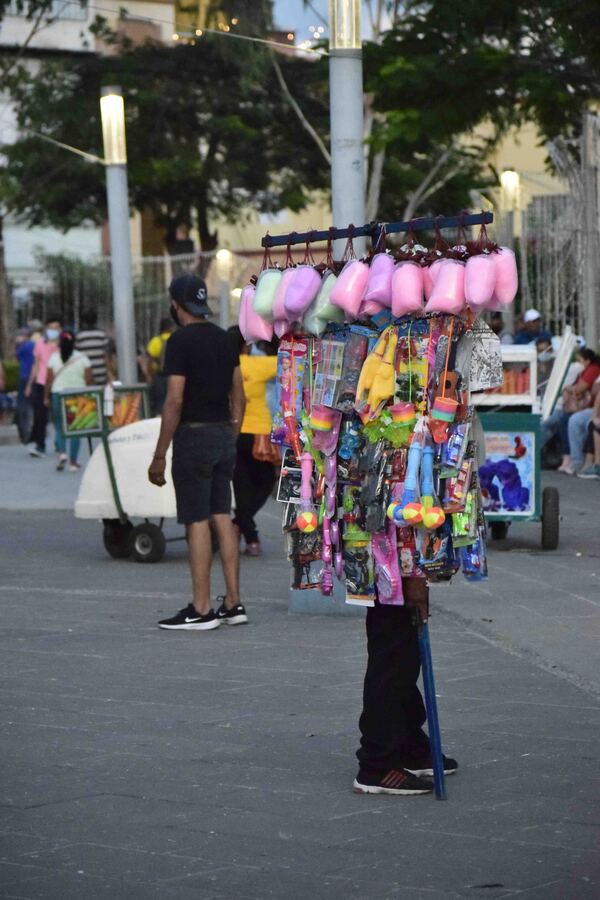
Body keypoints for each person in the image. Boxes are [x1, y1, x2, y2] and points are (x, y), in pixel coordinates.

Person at [148, 274, 246, 631]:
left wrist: (160, 454)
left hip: (193, 437)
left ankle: (202, 608)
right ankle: (234, 604)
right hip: (223, 435)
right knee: (222, 514)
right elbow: (240, 396)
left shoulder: (179, 341)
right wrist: (230, 435)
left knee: (196, 519)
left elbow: (174, 399)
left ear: (176, 306)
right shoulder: (224, 340)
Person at [354, 578, 458, 795]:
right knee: (393, 653)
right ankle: (377, 765)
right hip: (390, 560)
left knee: (404, 653)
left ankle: (407, 743)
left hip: (395, 560)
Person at [228, 326, 278, 557]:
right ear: (246, 343)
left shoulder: (224, 368)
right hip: (259, 434)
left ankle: (245, 531)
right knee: (266, 481)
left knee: (242, 486)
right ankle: (245, 528)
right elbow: (287, 361)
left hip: (233, 433)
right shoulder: (257, 366)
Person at [541, 348, 600, 475]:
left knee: (565, 420)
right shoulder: (584, 371)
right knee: (553, 422)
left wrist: (570, 389)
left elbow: (580, 390)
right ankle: (569, 460)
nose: (577, 363)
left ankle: (571, 459)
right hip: (585, 408)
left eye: (579, 360)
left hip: (589, 409)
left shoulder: (593, 369)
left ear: (587, 361)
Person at [45, 330, 93, 471]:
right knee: (76, 429)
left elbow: (49, 380)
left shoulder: (53, 358)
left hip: (58, 395)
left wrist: (45, 396)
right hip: (77, 397)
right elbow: (89, 380)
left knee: (60, 427)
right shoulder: (83, 359)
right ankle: (73, 462)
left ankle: (62, 454)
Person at [25, 313, 62, 457]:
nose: (54, 330)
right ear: (46, 328)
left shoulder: (62, 344)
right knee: (40, 416)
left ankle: (60, 445)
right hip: (41, 383)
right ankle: (40, 445)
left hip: (58, 384)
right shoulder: (40, 343)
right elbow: (36, 364)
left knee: (59, 416)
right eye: (51, 327)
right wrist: (29, 383)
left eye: (57, 327)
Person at [146, 317, 174, 414]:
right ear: (169, 327)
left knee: (160, 402)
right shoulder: (176, 339)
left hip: (159, 375)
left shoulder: (155, 341)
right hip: (174, 376)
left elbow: (149, 360)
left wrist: (150, 376)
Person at [75, 309, 109, 386]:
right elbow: (106, 355)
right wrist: (108, 372)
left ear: (83, 322)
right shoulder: (102, 334)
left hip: (86, 373)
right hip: (101, 371)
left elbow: (77, 356)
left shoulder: (79, 336)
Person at [14, 326, 35, 443]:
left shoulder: (24, 346)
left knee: (22, 405)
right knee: (30, 405)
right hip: (32, 377)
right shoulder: (33, 345)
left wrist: (17, 344)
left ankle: (25, 434)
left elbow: (15, 355)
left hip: (24, 377)